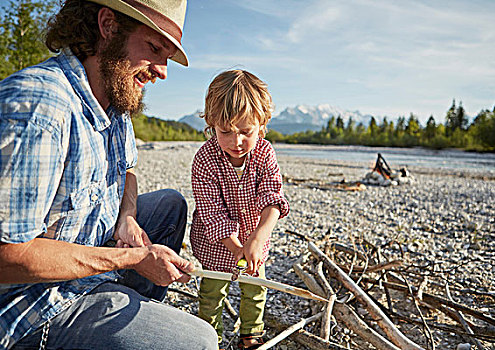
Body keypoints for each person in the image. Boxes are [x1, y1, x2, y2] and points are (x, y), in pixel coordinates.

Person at [0, 0, 218, 349]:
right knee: (199, 341)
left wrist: (127, 217)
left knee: (171, 205)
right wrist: (132, 258)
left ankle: (124, 311)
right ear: (108, 25)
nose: (163, 71)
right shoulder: (39, 106)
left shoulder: (116, 98)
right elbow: (7, 256)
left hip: (89, 252)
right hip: (34, 306)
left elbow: (127, 169)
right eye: (154, 48)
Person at [190, 70, 290, 349]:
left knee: (255, 290)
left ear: (262, 124)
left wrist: (257, 239)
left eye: (246, 132)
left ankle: (250, 336)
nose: (236, 142)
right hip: (216, 243)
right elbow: (212, 214)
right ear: (211, 125)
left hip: (255, 237)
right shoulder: (205, 160)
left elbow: (272, 199)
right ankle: (209, 337)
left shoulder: (265, 153)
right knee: (212, 292)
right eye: (225, 132)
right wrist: (236, 250)